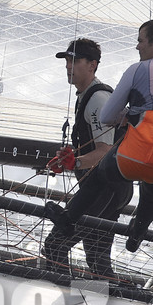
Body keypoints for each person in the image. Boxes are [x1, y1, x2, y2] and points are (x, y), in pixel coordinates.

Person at [42, 17, 153, 269]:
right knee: (100, 254)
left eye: (140, 40)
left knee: (55, 244)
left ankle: (67, 225)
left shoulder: (135, 72)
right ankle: (135, 236)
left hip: (123, 172)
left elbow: (107, 124)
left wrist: (127, 115)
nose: (137, 46)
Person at [41, 38, 121, 274]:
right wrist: (69, 158)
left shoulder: (98, 99)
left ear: (92, 65)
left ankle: (60, 291)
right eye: (67, 61)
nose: (68, 66)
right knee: (97, 260)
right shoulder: (85, 95)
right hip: (106, 190)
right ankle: (106, 295)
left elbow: (105, 152)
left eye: (75, 61)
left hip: (104, 191)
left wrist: (74, 162)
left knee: (55, 245)